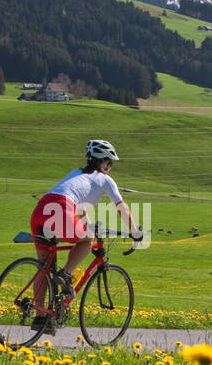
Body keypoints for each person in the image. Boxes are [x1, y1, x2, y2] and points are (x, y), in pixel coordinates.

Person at [28, 139, 141, 331]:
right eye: (110, 163)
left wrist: (88, 226)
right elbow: (121, 207)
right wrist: (136, 233)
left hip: (40, 210)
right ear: (104, 162)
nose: (110, 167)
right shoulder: (105, 179)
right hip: (61, 210)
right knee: (87, 240)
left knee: (43, 268)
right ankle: (65, 274)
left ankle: (40, 318)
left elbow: (80, 208)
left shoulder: (76, 174)